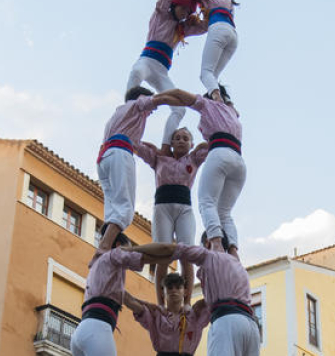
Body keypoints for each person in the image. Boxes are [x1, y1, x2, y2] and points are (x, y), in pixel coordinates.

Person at [156, 88, 244, 254]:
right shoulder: (232, 113)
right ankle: (233, 251)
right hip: (239, 161)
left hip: (220, 152)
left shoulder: (208, 105)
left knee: (206, 202)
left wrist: (158, 98)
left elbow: (180, 94)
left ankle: (216, 244)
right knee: (224, 212)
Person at [126, 0, 208, 150]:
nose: (185, 14)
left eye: (188, 11)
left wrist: (206, 7)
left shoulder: (182, 29)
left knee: (180, 110)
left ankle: (165, 147)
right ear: (174, 5)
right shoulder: (161, 14)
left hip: (161, 72)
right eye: (183, 9)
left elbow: (205, 27)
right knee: (136, 73)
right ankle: (126, 113)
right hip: (147, 62)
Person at [96, 89, 176, 250]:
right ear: (141, 97)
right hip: (120, 153)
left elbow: (138, 145)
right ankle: (104, 247)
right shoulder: (136, 105)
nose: (151, 112)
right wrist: (186, 100)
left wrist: (156, 152)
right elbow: (161, 99)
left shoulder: (118, 116)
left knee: (112, 211)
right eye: (150, 108)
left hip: (105, 157)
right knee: (125, 209)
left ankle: (108, 246)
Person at [135, 129, 209, 296]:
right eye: (177, 138)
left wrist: (199, 146)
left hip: (184, 209)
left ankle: (187, 301)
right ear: (171, 143)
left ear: (190, 144)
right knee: (163, 255)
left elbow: (213, 144)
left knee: (187, 254)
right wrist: (153, 147)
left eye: (185, 138)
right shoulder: (159, 158)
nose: (181, 141)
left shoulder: (194, 158)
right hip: (163, 208)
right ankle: (161, 301)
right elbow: (136, 145)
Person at [167, 0, 238, 99]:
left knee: (205, 74)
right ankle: (227, 102)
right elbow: (207, 24)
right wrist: (196, 23)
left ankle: (218, 101)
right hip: (233, 35)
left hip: (218, 29)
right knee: (213, 78)